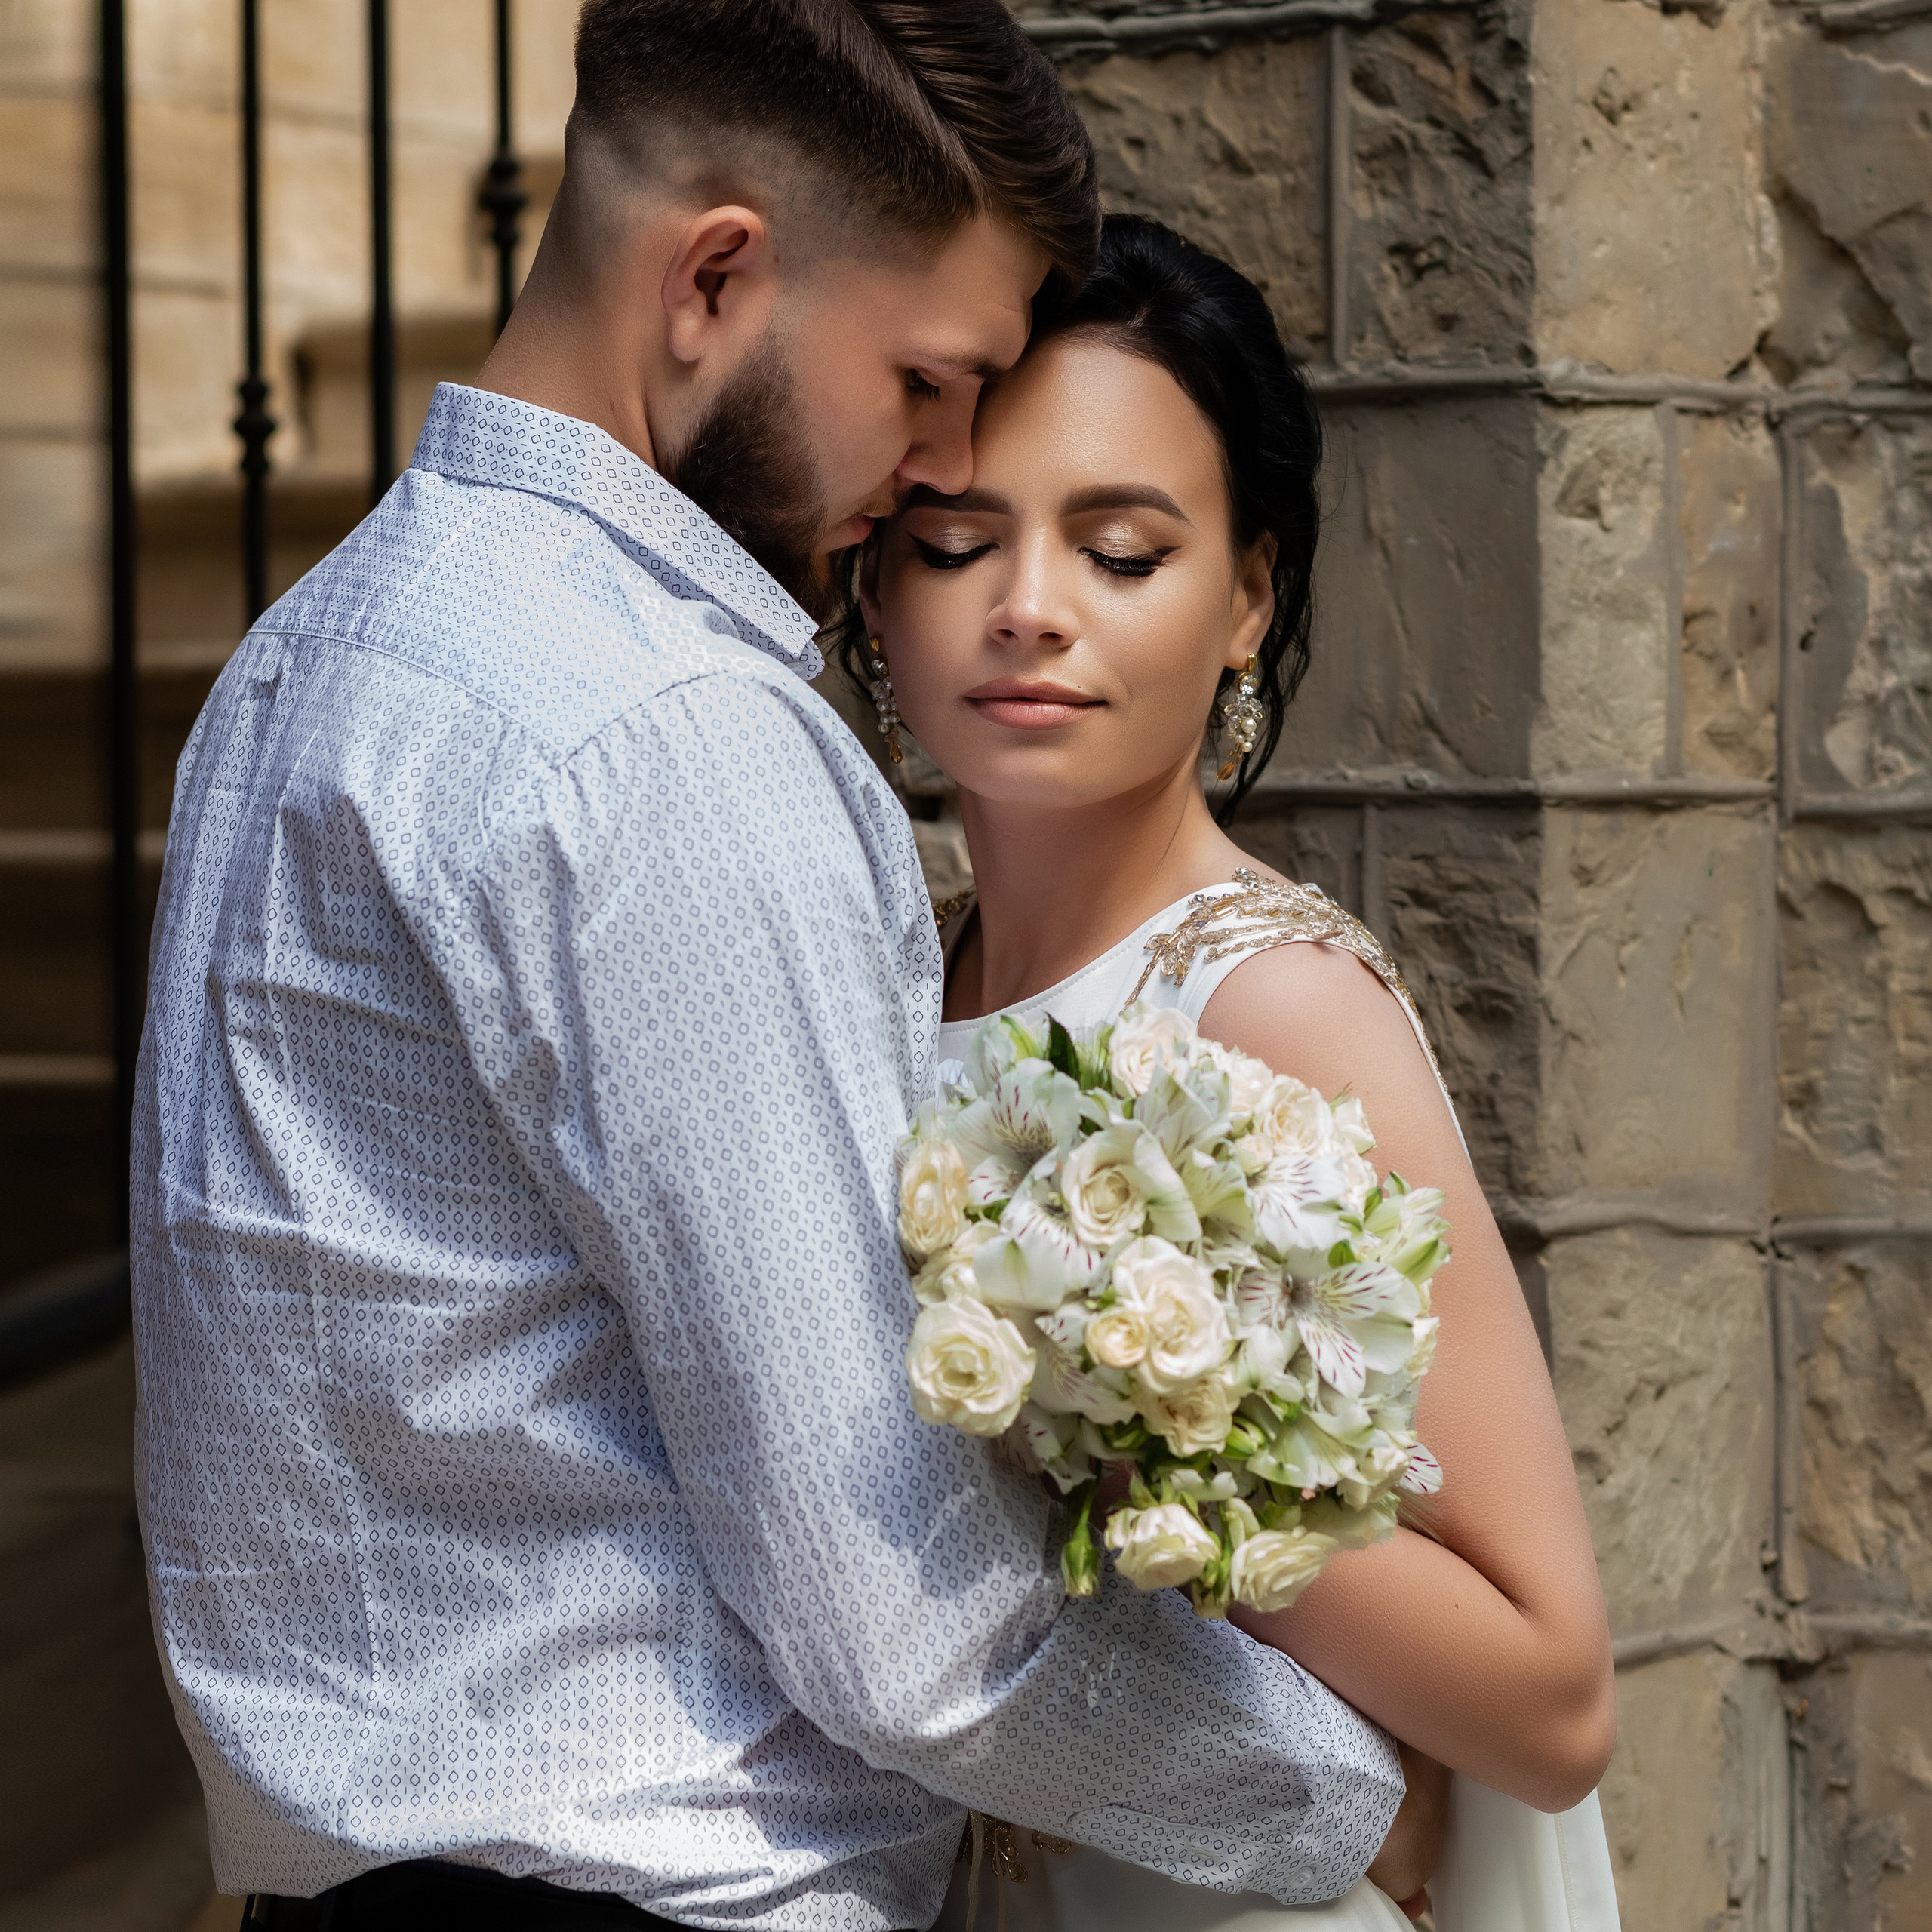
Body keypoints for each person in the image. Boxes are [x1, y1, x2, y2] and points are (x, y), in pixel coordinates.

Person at [131, 10, 1420, 1930]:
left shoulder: (305, 656)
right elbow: (898, 1613)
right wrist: (1333, 1803)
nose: (942, 464)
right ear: (715, 277)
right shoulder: (664, 731)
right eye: (928, 379)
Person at [848, 214, 1623, 1931]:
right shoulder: (899, 970)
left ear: (1243, 597)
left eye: (1120, 551)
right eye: (957, 539)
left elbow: (1549, 1695)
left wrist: (1126, 1439)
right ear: (878, 588)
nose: (1029, 609)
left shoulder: (1273, 1005)